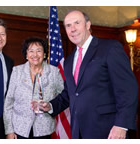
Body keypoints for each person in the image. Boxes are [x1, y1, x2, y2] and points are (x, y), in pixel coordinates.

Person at [32, 10, 138, 139]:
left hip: (109, 131)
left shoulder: (110, 48)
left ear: (88, 25)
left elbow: (128, 89)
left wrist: (121, 125)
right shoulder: (69, 60)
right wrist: (50, 106)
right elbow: (70, 93)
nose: (73, 29)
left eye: (77, 23)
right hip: (78, 131)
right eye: (68, 25)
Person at [3, 37, 64, 139]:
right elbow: (8, 103)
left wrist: (50, 106)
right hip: (19, 130)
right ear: (26, 54)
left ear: (44, 54)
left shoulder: (54, 72)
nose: (35, 55)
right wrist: (9, 130)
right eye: (31, 51)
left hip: (44, 130)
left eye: (39, 51)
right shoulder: (17, 71)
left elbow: (64, 97)